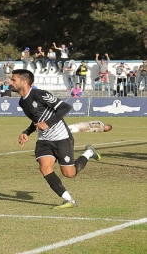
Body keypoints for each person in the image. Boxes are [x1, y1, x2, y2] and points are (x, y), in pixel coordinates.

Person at [11, 69, 100, 209]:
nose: (10, 82)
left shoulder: (40, 94)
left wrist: (48, 123)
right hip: (44, 140)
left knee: (69, 174)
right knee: (44, 167)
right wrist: (27, 132)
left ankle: (89, 153)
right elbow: (37, 121)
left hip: (61, 138)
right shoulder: (22, 102)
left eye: (13, 80)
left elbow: (65, 107)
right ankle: (68, 199)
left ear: (24, 82)